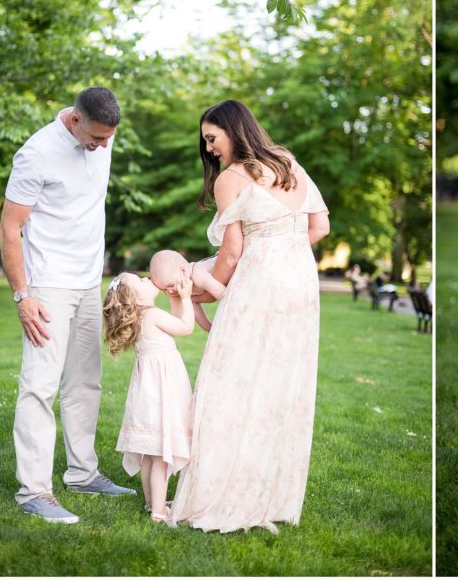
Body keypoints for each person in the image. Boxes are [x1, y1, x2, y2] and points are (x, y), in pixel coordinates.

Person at [168, 99, 330, 533]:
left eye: (211, 138)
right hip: (300, 284)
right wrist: (284, 254)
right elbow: (319, 228)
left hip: (259, 284)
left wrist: (204, 290)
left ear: (233, 131)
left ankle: (221, 491)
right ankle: (271, 494)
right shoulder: (288, 163)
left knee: (232, 380)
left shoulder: (231, 179)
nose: (209, 149)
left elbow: (233, 252)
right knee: (281, 385)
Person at [0, 87, 135, 525]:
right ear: (74, 121)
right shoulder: (36, 154)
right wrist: (23, 296)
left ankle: (82, 473)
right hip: (47, 287)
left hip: (86, 283)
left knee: (85, 383)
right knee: (40, 386)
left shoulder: (101, 138)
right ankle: (34, 490)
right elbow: (9, 228)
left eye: (109, 138)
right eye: (96, 138)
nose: (103, 146)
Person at [103, 271, 196, 523]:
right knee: (162, 456)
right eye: (141, 281)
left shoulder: (141, 318)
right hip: (163, 391)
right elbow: (185, 326)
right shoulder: (152, 315)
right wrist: (186, 297)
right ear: (137, 299)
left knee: (149, 453)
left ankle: (150, 502)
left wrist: (176, 300)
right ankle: (159, 511)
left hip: (148, 394)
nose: (147, 279)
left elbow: (175, 322)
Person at [148, 249, 226, 330]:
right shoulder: (186, 287)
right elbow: (194, 309)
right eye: (164, 290)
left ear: (183, 271)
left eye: (171, 285)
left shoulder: (198, 275)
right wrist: (210, 328)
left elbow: (223, 294)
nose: (170, 291)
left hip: (229, 263)